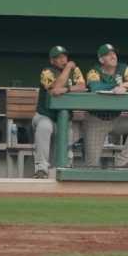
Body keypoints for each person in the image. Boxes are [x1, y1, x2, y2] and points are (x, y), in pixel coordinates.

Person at [82, 44, 128, 169]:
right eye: (108, 54)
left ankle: (123, 162)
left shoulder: (123, 68)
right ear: (101, 59)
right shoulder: (94, 71)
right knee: (92, 166)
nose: (113, 56)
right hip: (95, 121)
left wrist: (125, 87)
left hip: (116, 120)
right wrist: (117, 85)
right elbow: (94, 87)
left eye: (114, 53)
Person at [33, 45, 86, 179]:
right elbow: (56, 86)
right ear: (52, 61)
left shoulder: (75, 71)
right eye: (59, 57)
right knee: (44, 127)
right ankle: (41, 167)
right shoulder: (47, 72)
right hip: (45, 116)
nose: (63, 60)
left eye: (64, 56)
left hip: (64, 119)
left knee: (61, 153)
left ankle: (62, 168)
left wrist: (67, 89)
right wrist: (68, 68)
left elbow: (82, 86)